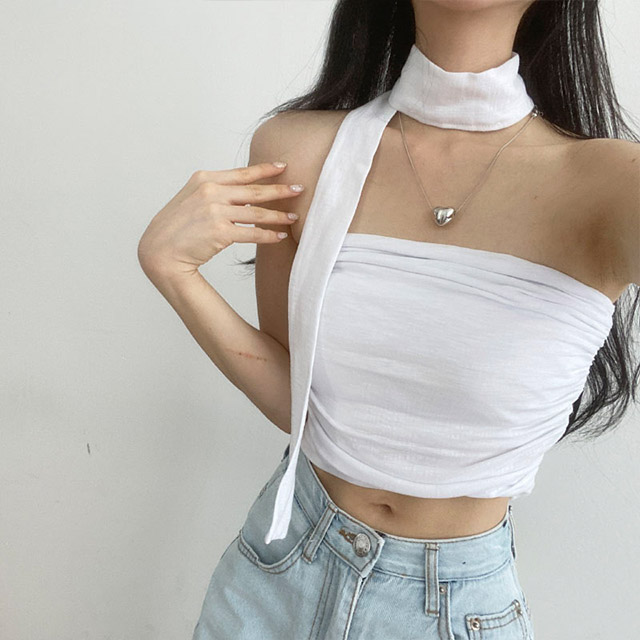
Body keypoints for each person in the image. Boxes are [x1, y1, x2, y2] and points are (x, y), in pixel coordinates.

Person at [137, 1, 640, 638]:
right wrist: (172, 271)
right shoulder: (297, 151)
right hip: (274, 574)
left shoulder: (614, 185)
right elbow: (299, 401)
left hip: (452, 609)